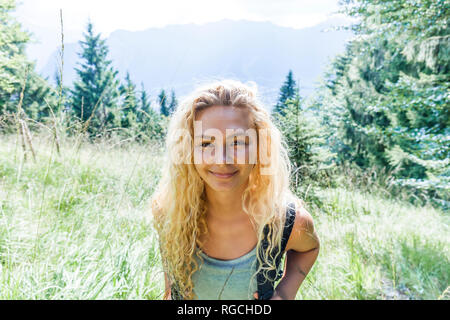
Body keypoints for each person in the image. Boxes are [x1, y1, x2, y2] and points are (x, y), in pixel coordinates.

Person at [151, 79, 320, 300]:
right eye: (205, 144)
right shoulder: (170, 214)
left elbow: (309, 249)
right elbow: (170, 291)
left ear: (260, 146)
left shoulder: (285, 221)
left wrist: (286, 292)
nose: (221, 160)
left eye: (238, 143)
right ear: (188, 150)